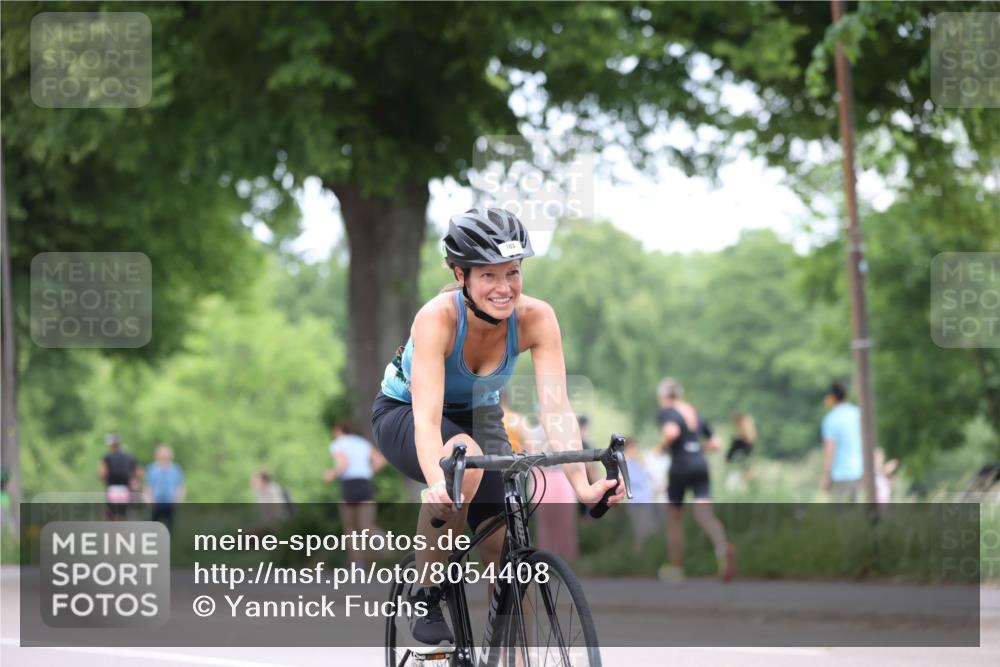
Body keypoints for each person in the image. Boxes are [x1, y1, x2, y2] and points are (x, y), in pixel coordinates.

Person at [370, 207, 625, 645]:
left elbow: (556, 408)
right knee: (461, 460)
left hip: (480, 415)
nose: (503, 288)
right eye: (488, 275)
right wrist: (438, 482)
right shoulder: (437, 318)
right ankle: (427, 590)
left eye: (512, 272)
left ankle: (516, 655)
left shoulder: (537, 318)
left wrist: (584, 486)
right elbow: (428, 420)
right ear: (460, 273)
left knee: (504, 552)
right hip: (405, 412)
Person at [656, 378, 734, 582]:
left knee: (674, 517)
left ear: (664, 396)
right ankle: (722, 548)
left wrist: (661, 447)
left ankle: (676, 568)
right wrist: (699, 448)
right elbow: (717, 443)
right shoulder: (694, 411)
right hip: (700, 464)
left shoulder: (668, 411)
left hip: (680, 465)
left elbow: (672, 432)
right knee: (704, 514)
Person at [324, 419, 386, 567]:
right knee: (367, 525)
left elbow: (343, 463)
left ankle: (358, 564)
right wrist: (368, 472)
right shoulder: (362, 442)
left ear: (339, 430)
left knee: (350, 527)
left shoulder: (338, 444)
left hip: (350, 484)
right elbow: (380, 461)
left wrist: (331, 474)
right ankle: (390, 550)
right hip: (365, 483)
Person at [820, 381, 864, 502]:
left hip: (840, 475)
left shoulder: (830, 419)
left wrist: (826, 476)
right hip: (861, 471)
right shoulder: (858, 413)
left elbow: (829, 451)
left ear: (832, 398)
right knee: (858, 514)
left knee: (840, 516)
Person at [623, 437, 656, 551]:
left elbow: (650, 479)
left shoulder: (640, 464)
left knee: (649, 531)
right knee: (640, 532)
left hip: (646, 502)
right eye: (632, 448)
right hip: (635, 503)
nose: (635, 451)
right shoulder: (624, 465)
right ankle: (637, 557)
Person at [98, 433, 140, 520]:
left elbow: (102, 473)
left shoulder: (107, 457)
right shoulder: (129, 457)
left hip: (112, 489)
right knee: (124, 515)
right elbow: (138, 474)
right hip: (126, 490)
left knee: (111, 516)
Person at [143, 444, 185, 530]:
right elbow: (148, 486)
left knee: (170, 527)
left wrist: (178, 500)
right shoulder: (152, 469)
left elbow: (180, 486)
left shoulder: (176, 469)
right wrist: (149, 500)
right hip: (156, 503)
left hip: (170, 503)